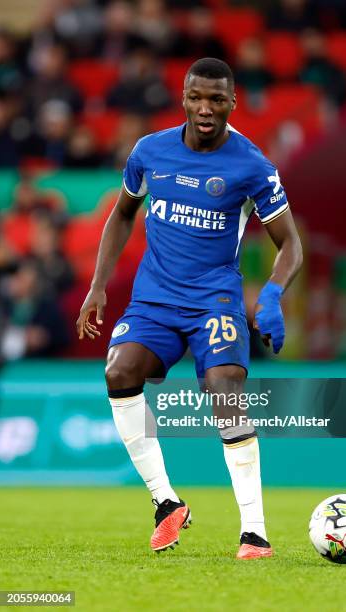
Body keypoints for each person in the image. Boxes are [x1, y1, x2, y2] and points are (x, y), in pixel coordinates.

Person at [77, 58, 303, 559]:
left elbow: (291, 244)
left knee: (224, 390)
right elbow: (121, 214)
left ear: (232, 103)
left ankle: (255, 532)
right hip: (155, 295)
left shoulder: (252, 165)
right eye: (197, 97)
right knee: (119, 371)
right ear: (183, 96)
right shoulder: (148, 151)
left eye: (217, 100)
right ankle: (166, 503)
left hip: (214, 297)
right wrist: (98, 285)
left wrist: (270, 293)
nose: (206, 109)